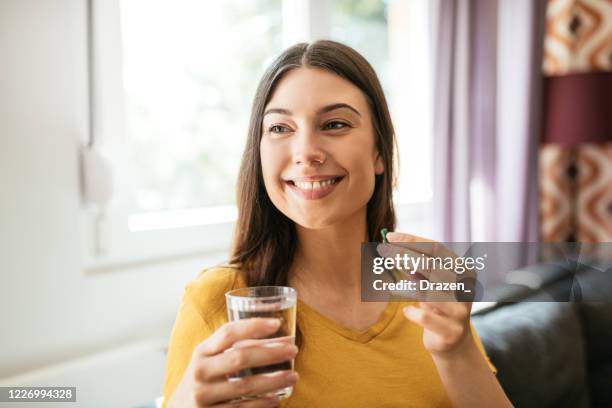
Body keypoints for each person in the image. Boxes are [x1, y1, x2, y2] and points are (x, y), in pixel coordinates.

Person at [163, 40, 512, 408]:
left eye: (334, 124)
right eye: (281, 128)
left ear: (379, 152)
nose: (306, 152)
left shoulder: (427, 293)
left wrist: (457, 351)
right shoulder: (217, 300)